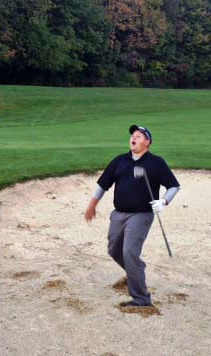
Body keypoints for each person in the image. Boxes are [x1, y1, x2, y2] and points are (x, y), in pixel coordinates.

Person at [84, 125, 180, 307]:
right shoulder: (120, 160)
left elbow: (174, 186)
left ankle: (141, 298)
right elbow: (103, 184)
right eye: (133, 135)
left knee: (129, 252)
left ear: (148, 142)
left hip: (141, 215)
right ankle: (136, 269)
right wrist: (92, 205)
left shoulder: (156, 163)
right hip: (118, 214)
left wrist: (164, 201)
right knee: (114, 250)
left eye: (139, 136)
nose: (134, 138)